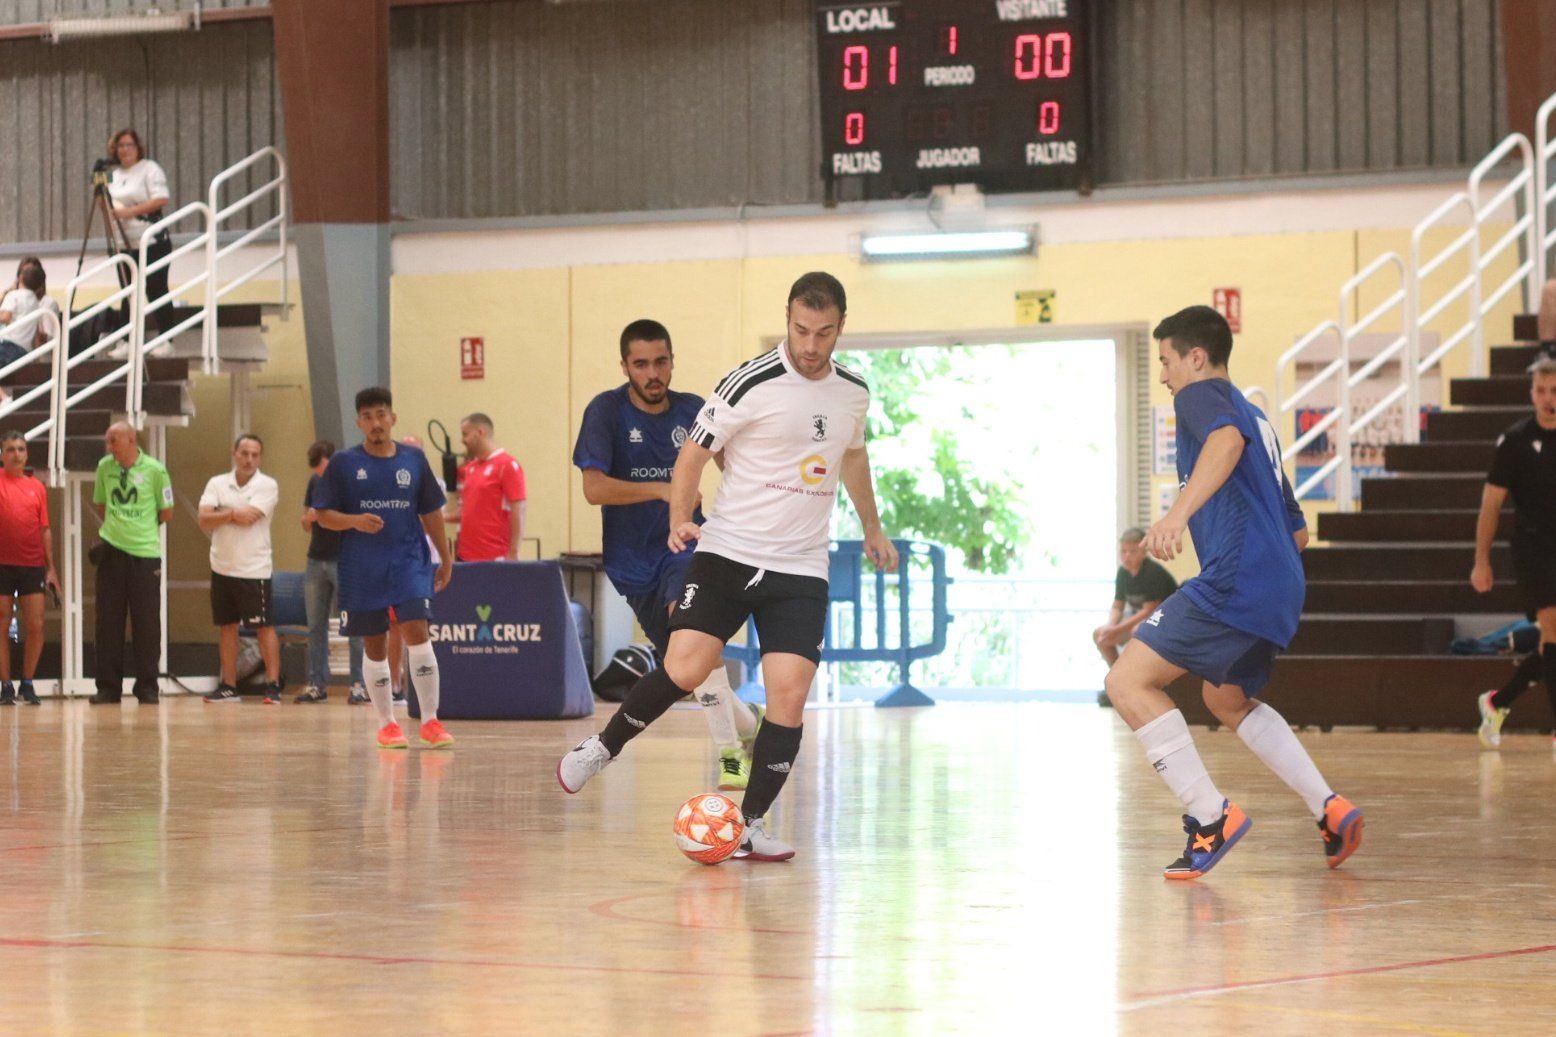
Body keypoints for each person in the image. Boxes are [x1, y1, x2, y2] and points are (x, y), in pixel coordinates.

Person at [559, 272, 899, 863]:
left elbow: (852, 456)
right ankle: (601, 748)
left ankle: (751, 824)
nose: (811, 344)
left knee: (788, 696)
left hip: (800, 569)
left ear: (841, 326)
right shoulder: (750, 381)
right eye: (800, 330)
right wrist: (677, 518)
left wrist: (872, 524)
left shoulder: (853, 393)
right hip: (729, 552)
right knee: (686, 667)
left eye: (823, 333)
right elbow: (693, 450)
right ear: (787, 319)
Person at [1103, 305, 1362, 879]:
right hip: (1281, 581)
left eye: (1168, 361)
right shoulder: (1259, 418)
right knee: (1226, 700)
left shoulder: (1201, 399)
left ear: (1196, 357)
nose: (1165, 375)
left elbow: (1222, 443)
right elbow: (1298, 530)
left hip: (1237, 575)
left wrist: (1177, 515)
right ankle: (1329, 807)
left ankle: (1210, 816)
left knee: (1126, 681)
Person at [572, 318, 764, 790]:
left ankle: (730, 757)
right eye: (641, 364)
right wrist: (662, 488)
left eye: (661, 361)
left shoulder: (695, 410)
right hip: (630, 564)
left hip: (686, 548)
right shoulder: (606, 412)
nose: (653, 373)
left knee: (694, 637)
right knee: (689, 670)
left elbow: (736, 467)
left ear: (673, 361)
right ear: (625, 367)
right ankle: (748, 724)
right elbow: (593, 489)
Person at [314, 388, 455, 750]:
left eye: (381, 415)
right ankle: (386, 723)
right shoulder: (344, 464)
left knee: (416, 631)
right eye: (368, 417)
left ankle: (430, 721)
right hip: (362, 565)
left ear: (392, 418)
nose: (376, 423)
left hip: (408, 560)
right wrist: (354, 521)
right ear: (359, 422)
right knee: (374, 643)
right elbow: (323, 516)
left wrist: (445, 555)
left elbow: (432, 513)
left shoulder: (414, 460)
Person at [1472, 353, 1556, 757]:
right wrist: (1481, 560)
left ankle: (1498, 702)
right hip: (1534, 548)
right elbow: (1491, 506)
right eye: (1541, 390)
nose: (1547, 398)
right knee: (1553, 628)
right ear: (1531, 393)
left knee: (1551, 647)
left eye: (1554, 390)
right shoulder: (1515, 441)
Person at [90, 421, 173, 704]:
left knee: (146, 623)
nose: (109, 447)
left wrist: (137, 532)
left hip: (145, 556)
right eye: (108, 441)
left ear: (130, 440)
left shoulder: (155, 470)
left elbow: (166, 512)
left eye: (114, 441)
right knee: (108, 623)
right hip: (111, 554)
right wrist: (118, 529)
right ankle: (108, 688)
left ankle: (147, 686)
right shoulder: (104, 468)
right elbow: (101, 504)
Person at [197, 435, 283, 704]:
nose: (249, 459)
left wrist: (223, 512)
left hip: (253, 569)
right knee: (227, 627)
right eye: (244, 453)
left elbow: (249, 518)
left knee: (264, 628)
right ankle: (228, 685)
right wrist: (234, 513)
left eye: (255, 455)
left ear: (260, 458)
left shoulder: (267, 485)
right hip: (222, 566)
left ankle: (272, 684)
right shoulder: (217, 483)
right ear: (234, 453)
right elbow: (204, 519)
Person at [296, 440, 367, 704]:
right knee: (315, 625)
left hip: (344, 559)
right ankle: (316, 684)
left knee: (353, 624)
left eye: (323, 469)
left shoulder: (349, 483)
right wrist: (311, 518)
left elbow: (357, 521)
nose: (320, 475)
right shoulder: (315, 482)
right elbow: (304, 523)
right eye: (316, 471)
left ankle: (358, 684)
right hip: (316, 560)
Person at [0, 430, 60, 706]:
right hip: (2, 565)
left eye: (21, 449)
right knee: (1, 622)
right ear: (2, 454)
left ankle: (27, 683)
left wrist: (51, 569)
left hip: (32, 564)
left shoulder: (36, 487)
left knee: (36, 624)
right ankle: (5, 686)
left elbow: (44, 529)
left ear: (27, 454)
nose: (16, 454)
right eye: (11, 449)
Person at [386, 433, 444, 703]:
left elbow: (433, 519)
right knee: (395, 625)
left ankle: (424, 696)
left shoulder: (435, 484)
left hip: (427, 562)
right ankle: (395, 683)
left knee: (421, 627)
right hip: (398, 562)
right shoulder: (388, 482)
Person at [105, 128, 173, 335]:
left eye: (129, 145)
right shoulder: (112, 174)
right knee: (128, 292)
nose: (124, 150)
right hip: (123, 243)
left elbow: (161, 198)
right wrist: (99, 193)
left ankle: (166, 338)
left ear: (138, 148)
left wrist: (129, 212)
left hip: (151, 240)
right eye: (120, 146)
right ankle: (127, 340)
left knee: (155, 289)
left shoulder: (149, 168)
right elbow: (105, 207)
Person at [1093, 527, 1178, 668]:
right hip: (1144, 618)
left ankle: (1134, 679)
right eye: (1123, 551)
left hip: (1166, 618)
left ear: (1144, 552)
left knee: (1138, 631)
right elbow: (1118, 605)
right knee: (1100, 635)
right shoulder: (1123, 572)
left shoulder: (1153, 572)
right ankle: (1117, 676)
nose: (1126, 556)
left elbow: (1149, 610)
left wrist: (1117, 629)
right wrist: (1110, 626)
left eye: (1132, 552)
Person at [450, 413, 527, 562]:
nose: (462, 440)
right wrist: (434, 517)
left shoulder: (507, 465)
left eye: (465, 434)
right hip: (465, 556)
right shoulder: (470, 469)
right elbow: (466, 512)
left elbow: (519, 511)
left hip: (494, 557)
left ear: (480, 432)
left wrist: (513, 552)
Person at [0, 263, 44, 370]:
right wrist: (37, 359)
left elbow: (6, 317)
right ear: (39, 287)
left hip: (7, 347)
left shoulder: (14, 295)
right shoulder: (35, 303)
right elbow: (36, 336)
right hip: (24, 352)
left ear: (20, 277)